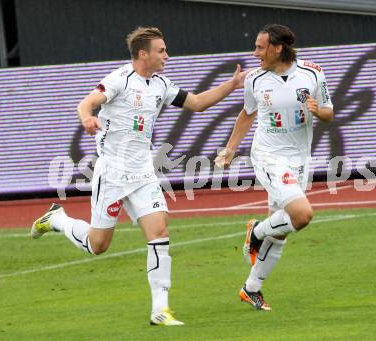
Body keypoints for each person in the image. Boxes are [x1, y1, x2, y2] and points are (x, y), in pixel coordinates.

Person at [31, 26, 247, 326]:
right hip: (113, 173)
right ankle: (56, 220)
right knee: (98, 245)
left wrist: (232, 85)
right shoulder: (120, 79)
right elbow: (86, 103)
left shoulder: (161, 84)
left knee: (159, 233)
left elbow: (197, 104)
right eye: (161, 51)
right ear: (143, 54)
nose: (166, 55)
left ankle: (161, 310)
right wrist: (87, 119)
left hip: (144, 172)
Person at [215, 24, 334, 310]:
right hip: (268, 155)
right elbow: (247, 114)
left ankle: (251, 288)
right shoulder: (255, 79)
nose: (255, 53)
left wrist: (320, 111)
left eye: (260, 47)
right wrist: (230, 149)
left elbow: (329, 111)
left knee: (280, 230)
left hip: (300, 157)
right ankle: (256, 232)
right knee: (302, 215)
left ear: (277, 48)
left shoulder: (313, 73)